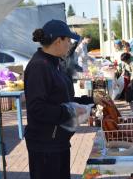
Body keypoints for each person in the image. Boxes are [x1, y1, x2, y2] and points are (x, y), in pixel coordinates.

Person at [24, 20, 88, 179]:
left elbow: (64, 98)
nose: (70, 44)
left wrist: (90, 100)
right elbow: (36, 108)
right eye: (68, 40)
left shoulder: (54, 64)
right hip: (45, 144)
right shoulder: (40, 66)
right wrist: (70, 111)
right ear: (58, 41)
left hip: (57, 141)